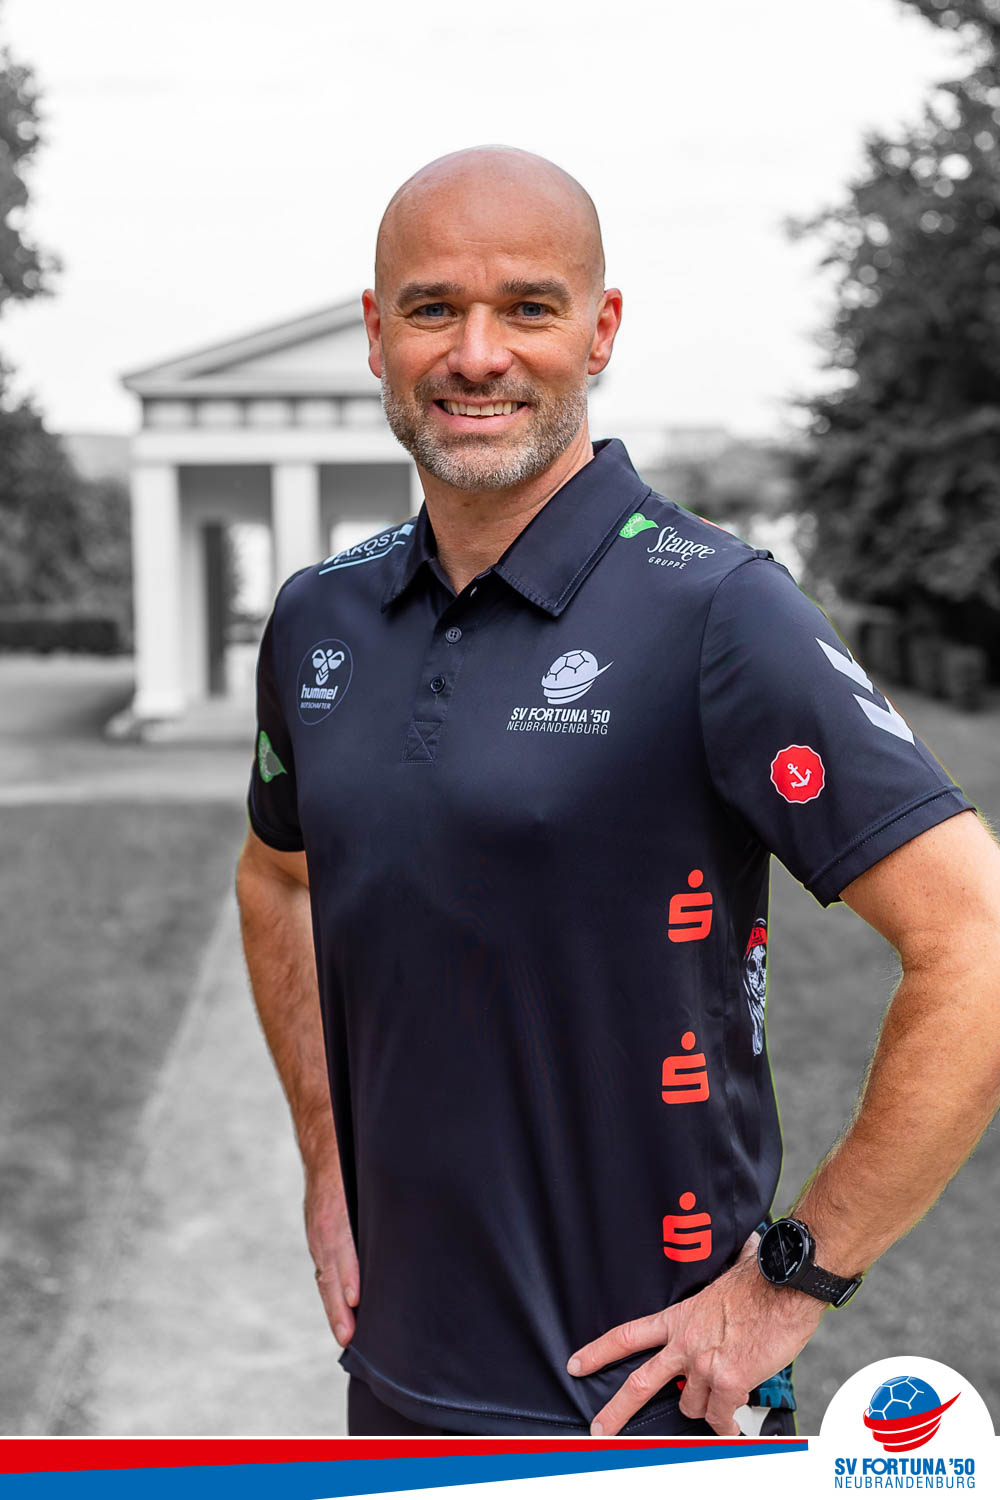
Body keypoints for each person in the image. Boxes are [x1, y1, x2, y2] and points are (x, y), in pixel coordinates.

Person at [236, 146, 1000, 1438]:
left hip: (645, 1407)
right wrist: (326, 1158)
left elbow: (976, 942)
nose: (478, 354)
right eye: (433, 308)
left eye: (529, 307)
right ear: (375, 334)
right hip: (398, 1380)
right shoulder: (322, 617)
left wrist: (791, 1283)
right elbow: (277, 877)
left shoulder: (717, 610)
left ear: (601, 332)